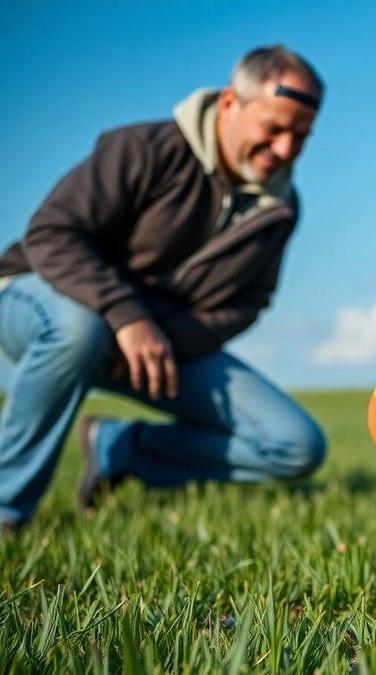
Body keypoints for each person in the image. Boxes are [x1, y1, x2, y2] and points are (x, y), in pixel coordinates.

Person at [0, 45, 328, 530]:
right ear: (230, 105)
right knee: (81, 329)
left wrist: (158, 337)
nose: (285, 150)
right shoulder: (144, 149)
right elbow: (52, 234)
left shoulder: (282, 208)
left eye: (300, 136)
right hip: (36, 300)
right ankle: (6, 510)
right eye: (274, 128)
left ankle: (118, 450)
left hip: (158, 344)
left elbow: (248, 302)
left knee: (295, 444)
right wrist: (127, 317)